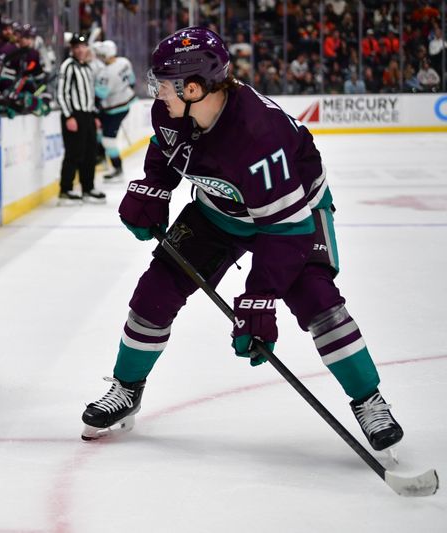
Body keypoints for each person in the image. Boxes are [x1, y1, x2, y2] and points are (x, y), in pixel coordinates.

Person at [80, 27, 405, 455]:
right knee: (154, 293)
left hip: (295, 216)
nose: (156, 91)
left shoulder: (258, 136)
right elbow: (166, 150)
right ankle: (126, 389)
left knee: (318, 301)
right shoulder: (170, 110)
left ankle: (368, 399)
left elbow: (285, 231)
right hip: (219, 212)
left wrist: (260, 297)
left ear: (193, 88)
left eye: (163, 83)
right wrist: (153, 188)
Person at [56, 33, 105, 205]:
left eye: (83, 46)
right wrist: (69, 115)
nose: (80, 50)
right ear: (72, 49)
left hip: (87, 115)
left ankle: (88, 187)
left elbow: (90, 94)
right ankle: (65, 189)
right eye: (76, 47)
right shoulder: (68, 66)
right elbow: (62, 93)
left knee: (90, 153)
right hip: (74, 115)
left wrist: (94, 115)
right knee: (74, 153)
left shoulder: (87, 67)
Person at [92, 40, 135, 182]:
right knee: (99, 132)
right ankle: (101, 158)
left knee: (108, 140)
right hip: (125, 103)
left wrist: (91, 86)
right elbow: (132, 81)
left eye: (100, 54)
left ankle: (118, 169)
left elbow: (101, 94)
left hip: (113, 108)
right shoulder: (124, 61)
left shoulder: (106, 72)